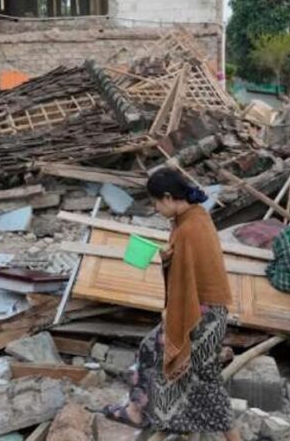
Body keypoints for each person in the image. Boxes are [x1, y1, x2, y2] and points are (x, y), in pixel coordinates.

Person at [102, 168, 240, 440]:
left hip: (203, 314)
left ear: (167, 197)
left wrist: (174, 319)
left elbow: (186, 281)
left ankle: (229, 437)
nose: (156, 208)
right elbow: (189, 267)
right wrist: (169, 258)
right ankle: (142, 411)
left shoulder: (189, 228)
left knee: (204, 378)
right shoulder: (195, 216)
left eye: (156, 202)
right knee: (153, 351)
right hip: (206, 309)